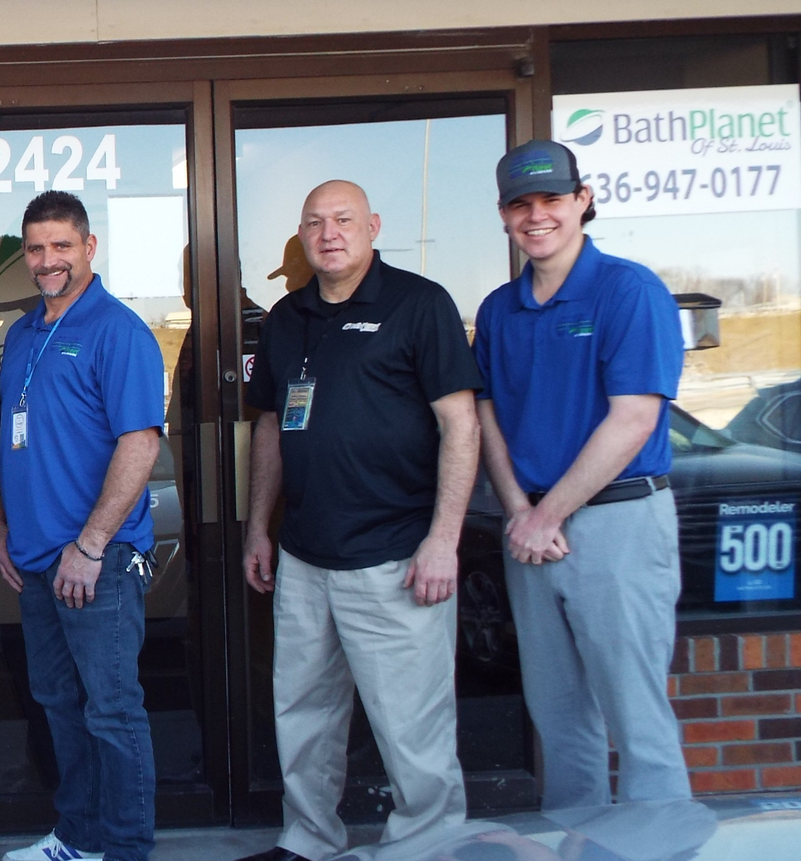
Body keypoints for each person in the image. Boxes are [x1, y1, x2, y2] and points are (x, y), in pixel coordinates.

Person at [237, 180, 480, 861]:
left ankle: (428, 848)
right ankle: (308, 839)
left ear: (373, 225)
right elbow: (269, 428)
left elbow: (460, 425)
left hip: (397, 557)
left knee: (413, 727)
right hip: (306, 558)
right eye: (314, 221)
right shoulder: (287, 318)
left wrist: (443, 540)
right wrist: (259, 525)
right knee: (304, 716)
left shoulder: (419, 304)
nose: (329, 232)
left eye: (343, 218)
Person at [474, 140, 690, 811]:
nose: (537, 215)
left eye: (552, 199)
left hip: (618, 522)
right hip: (530, 529)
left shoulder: (629, 290)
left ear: (583, 200)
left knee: (636, 719)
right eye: (521, 203)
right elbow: (487, 417)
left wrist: (545, 515)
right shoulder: (498, 310)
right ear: (504, 214)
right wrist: (519, 511)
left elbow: (631, 421)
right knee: (561, 720)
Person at [0, 191, 166, 861]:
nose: (47, 260)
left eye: (62, 245)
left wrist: (89, 546)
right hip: (37, 563)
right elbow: (14, 435)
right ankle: (80, 838)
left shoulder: (119, 330)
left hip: (99, 563)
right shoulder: (26, 333)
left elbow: (140, 445)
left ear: (90, 247)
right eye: (36, 248)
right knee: (60, 703)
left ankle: (125, 849)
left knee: (112, 711)